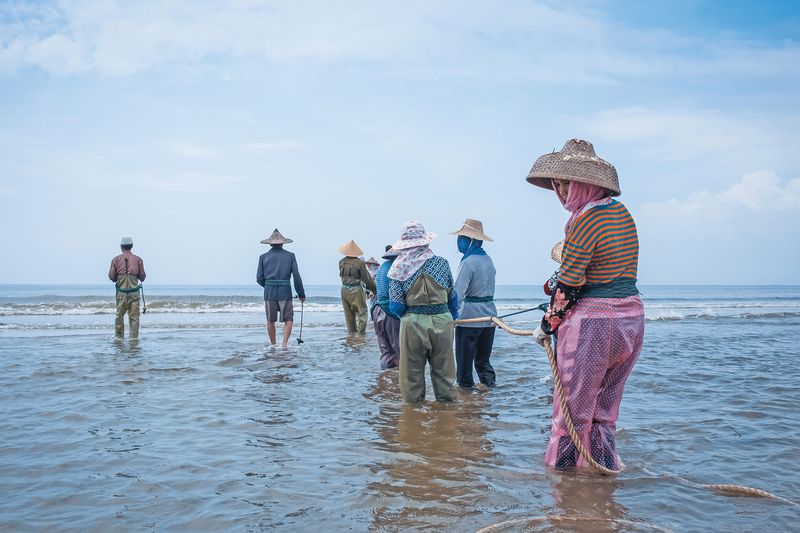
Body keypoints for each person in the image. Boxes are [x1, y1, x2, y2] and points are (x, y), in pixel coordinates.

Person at [526, 139, 644, 470]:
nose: (562, 193)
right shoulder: (623, 215)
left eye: (566, 184)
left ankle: (565, 489)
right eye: (557, 185)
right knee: (604, 413)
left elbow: (569, 285)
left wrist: (547, 324)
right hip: (631, 321)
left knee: (570, 414)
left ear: (586, 184)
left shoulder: (584, 221)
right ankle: (603, 475)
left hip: (595, 325)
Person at [388, 221, 459, 403]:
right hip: (443, 321)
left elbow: (396, 306)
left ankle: (414, 420)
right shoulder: (442, 263)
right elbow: (452, 297)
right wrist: (449, 316)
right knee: (445, 374)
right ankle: (447, 419)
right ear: (425, 242)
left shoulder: (397, 268)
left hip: (413, 322)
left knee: (411, 376)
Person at [451, 219, 497, 389]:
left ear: (470, 240)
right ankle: (489, 395)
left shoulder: (467, 263)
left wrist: (450, 315)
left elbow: (458, 294)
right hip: (489, 318)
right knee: (483, 363)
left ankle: (467, 405)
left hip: (469, 319)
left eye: (462, 237)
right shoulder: (488, 260)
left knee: (464, 368)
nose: (459, 242)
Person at [256, 228, 305, 348]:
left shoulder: (263, 257)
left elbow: (259, 278)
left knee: (270, 320)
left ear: (270, 243)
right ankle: (284, 345)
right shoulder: (290, 256)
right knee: (288, 319)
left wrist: (268, 286)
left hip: (269, 293)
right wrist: (301, 294)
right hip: (285, 292)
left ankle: (273, 345)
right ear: (282, 243)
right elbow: (296, 276)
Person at [108, 236, 146, 338]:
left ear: (121, 247)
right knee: (134, 317)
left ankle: (119, 338)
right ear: (131, 246)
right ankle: (134, 339)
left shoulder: (115, 260)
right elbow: (142, 277)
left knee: (119, 316)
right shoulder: (138, 260)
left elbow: (112, 277)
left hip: (121, 293)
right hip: (134, 294)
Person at [372, 246, 401, 369]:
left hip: (377, 310)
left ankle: (385, 379)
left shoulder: (383, 267)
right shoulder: (397, 267)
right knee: (399, 350)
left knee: (385, 350)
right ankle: (397, 383)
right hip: (390, 313)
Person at [338, 240, 376, 335]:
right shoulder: (359, 263)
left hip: (344, 290)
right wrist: (375, 290)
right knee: (362, 313)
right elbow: (367, 279)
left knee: (349, 315)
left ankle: (351, 335)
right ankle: (360, 335)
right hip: (356, 290)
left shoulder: (341, 262)